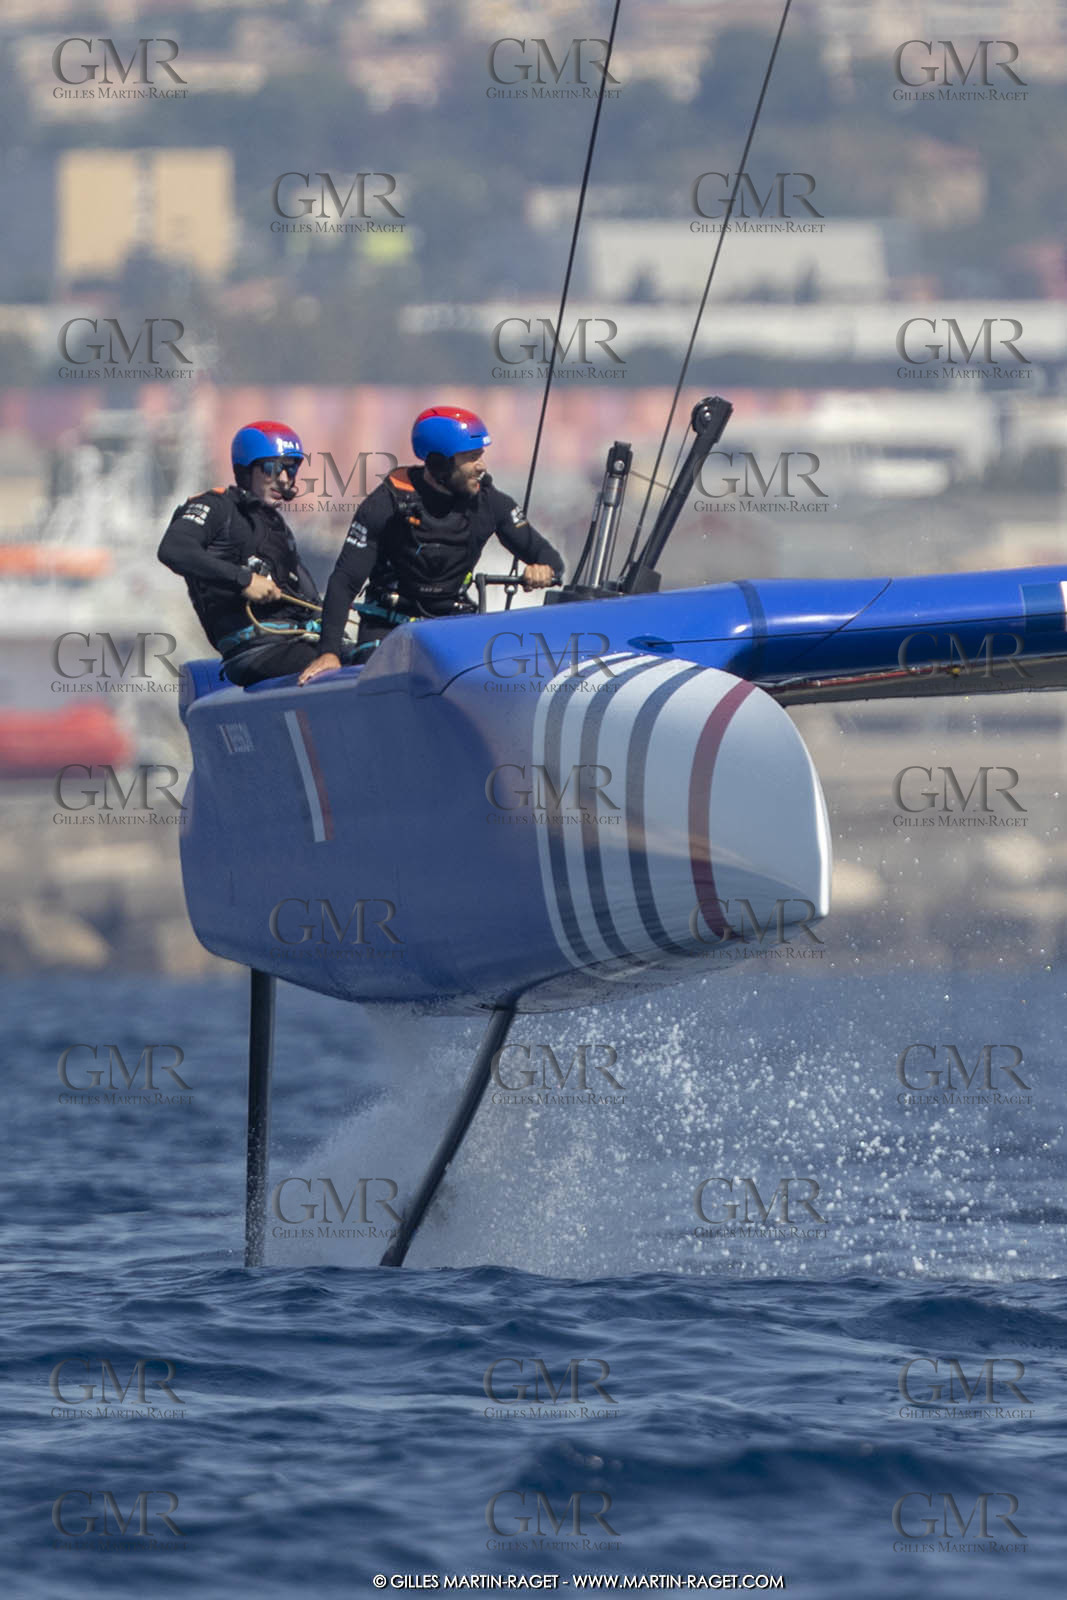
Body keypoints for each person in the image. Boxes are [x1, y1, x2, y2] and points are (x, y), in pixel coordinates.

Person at [298, 406, 563, 684]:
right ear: (439, 464)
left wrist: (542, 570)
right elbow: (345, 580)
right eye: (471, 458)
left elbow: (550, 560)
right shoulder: (385, 504)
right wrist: (328, 652)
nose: (482, 466)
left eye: (481, 457)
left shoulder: (490, 503)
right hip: (388, 628)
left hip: (453, 626)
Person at [158, 420, 354, 686]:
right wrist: (244, 580)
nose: (283, 479)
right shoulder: (217, 507)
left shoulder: (274, 525)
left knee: (372, 651)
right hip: (255, 653)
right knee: (361, 663)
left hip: (295, 644)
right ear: (246, 470)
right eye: (272, 469)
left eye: (290, 469)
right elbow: (174, 549)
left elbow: (307, 598)